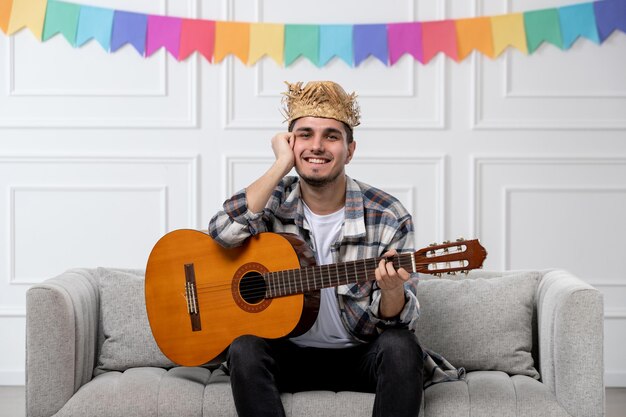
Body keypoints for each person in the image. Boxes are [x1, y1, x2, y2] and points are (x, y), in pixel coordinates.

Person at [208, 81, 423, 417]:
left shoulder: (387, 214)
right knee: (244, 347)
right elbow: (221, 232)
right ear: (291, 144)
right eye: (305, 135)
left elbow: (397, 322)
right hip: (286, 356)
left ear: (350, 150)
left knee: (402, 347)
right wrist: (281, 164)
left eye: (331, 136)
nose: (317, 146)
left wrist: (392, 291)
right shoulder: (272, 200)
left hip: (359, 355)